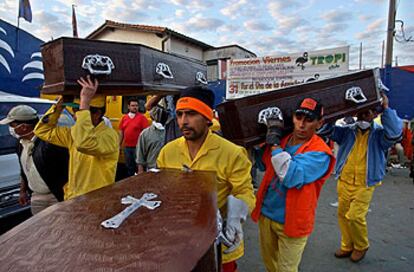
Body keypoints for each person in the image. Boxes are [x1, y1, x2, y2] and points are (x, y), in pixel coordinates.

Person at [156, 86, 255, 272]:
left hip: (219, 242)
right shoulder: (167, 152)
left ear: (207, 118)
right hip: (180, 243)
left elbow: (244, 191)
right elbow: (164, 191)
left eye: (191, 114)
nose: (183, 122)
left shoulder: (231, 153)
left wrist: (234, 218)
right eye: (179, 114)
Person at [251, 97, 336, 272]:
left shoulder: (321, 153)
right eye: (298, 117)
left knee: (287, 269)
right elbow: (263, 165)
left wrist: (273, 143)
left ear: (319, 123)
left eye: (309, 120)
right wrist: (258, 146)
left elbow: (290, 176)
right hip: (266, 215)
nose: (302, 124)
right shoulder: (283, 139)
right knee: (270, 265)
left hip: (293, 221)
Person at [328, 93, 402, 262]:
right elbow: (325, 129)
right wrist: (336, 110)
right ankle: (347, 245)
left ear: (375, 114)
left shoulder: (381, 135)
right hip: (344, 181)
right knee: (342, 214)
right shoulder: (347, 132)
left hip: (365, 184)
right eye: (361, 112)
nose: (363, 116)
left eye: (368, 112)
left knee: (354, 216)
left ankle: (361, 245)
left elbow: (395, 133)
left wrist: (386, 109)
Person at [34, 76, 119, 200]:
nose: (74, 116)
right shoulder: (74, 133)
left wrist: (84, 103)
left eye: (77, 111)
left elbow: (84, 143)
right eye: (74, 111)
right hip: (73, 197)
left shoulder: (109, 136)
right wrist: (59, 106)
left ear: (97, 114)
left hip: (96, 200)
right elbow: (42, 130)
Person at [0, 105, 69, 214]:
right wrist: (22, 191)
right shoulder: (20, 143)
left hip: (56, 197)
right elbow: (24, 169)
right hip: (36, 197)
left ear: (23, 127)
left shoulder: (50, 144)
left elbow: (68, 171)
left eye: (12, 125)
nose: (10, 129)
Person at [119, 98, 149, 176]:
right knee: (129, 166)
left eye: (136, 105)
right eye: (133, 105)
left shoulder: (142, 118)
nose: (135, 107)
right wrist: (119, 145)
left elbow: (146, 133)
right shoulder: (124, 118)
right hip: (127, 147)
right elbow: (121, 132)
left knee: (139, 167)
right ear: (128, 107)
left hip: (138, 147)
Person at [136, 106, 166, 174]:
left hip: (169, 170)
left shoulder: (171, 131)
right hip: (152, 170)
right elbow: (140, 155)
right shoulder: (145, 133)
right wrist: (140, 172)